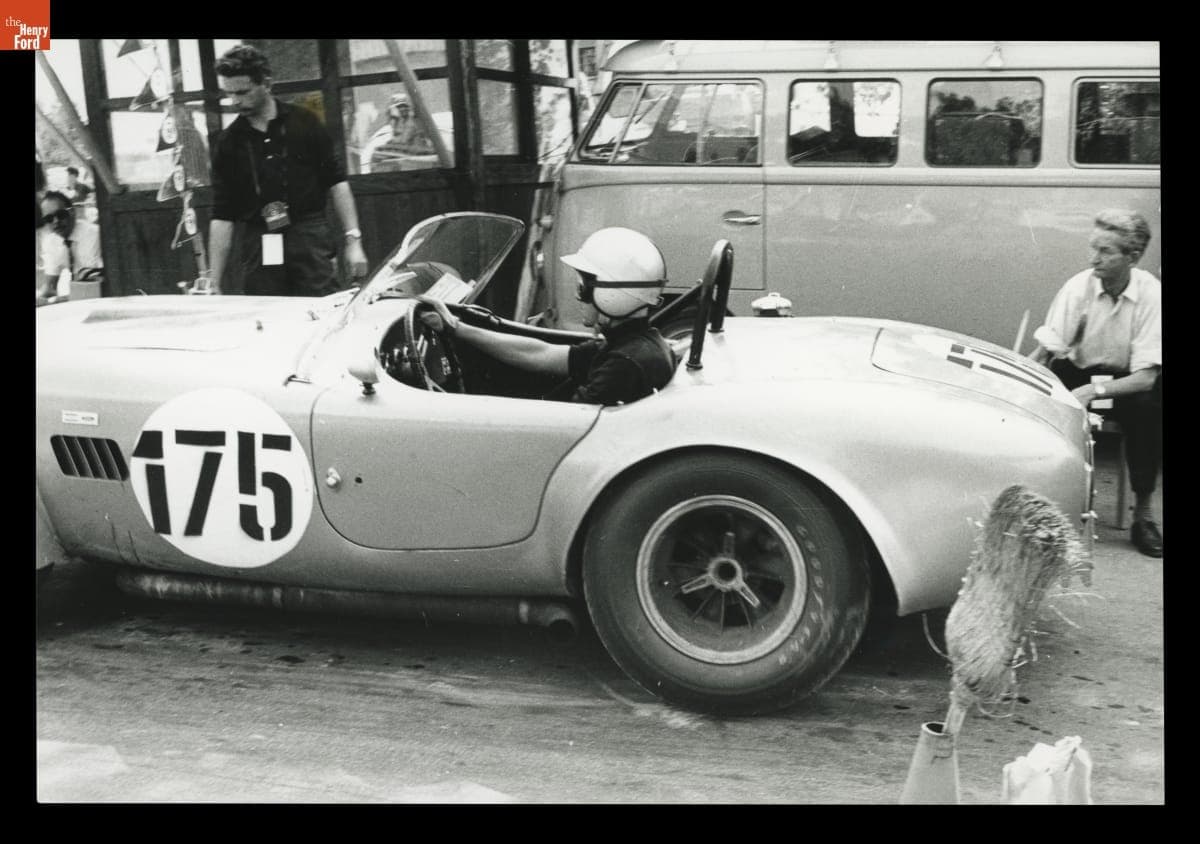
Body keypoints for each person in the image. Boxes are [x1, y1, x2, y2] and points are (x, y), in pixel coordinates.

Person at [419, 227, 678, 406]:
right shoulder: (631, 345)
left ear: (614, 293)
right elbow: (540, 353)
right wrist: (456, 328)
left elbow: (567, 422)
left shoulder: (624, 364)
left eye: (583, 287)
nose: (578, 296)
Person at [1030, 208, 1162, 557]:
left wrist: (1093, 392)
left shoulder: (1151, 294)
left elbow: (1147, 377)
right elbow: (1047, 352)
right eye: (1093, 248)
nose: (1094, 259)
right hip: (1080, 373)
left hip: (1124, 383)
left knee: (1149, 412)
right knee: (1047, 403)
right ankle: (1052, 508)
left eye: (1105, 252)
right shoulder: (1079, 286)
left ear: (1132, 257)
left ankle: (1144, 517)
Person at [207, 44, 368, 297]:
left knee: (322, 308)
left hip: (309, 236)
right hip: (259, 241)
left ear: (266, 84)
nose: (235, 101)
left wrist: (354, 242)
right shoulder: (228, 142)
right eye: (229, 94)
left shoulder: (305, 122)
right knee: (266, 317)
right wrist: (213, 281)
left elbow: (337, 182)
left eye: (243, 92)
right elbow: (222, 214)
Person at [37, 190, 103, 304]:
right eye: (49, 218)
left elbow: (92, 287)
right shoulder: (52, 241)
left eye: (61, 215)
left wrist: (60, 300)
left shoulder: (94, 235)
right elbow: (50, 287)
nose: (56, 221)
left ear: (73, 212)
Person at [363, 92, 435, 173]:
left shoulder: (412, 123)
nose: (402, 109)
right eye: (393, 118)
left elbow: (403, 140)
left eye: (404, 108)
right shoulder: (393, 127)